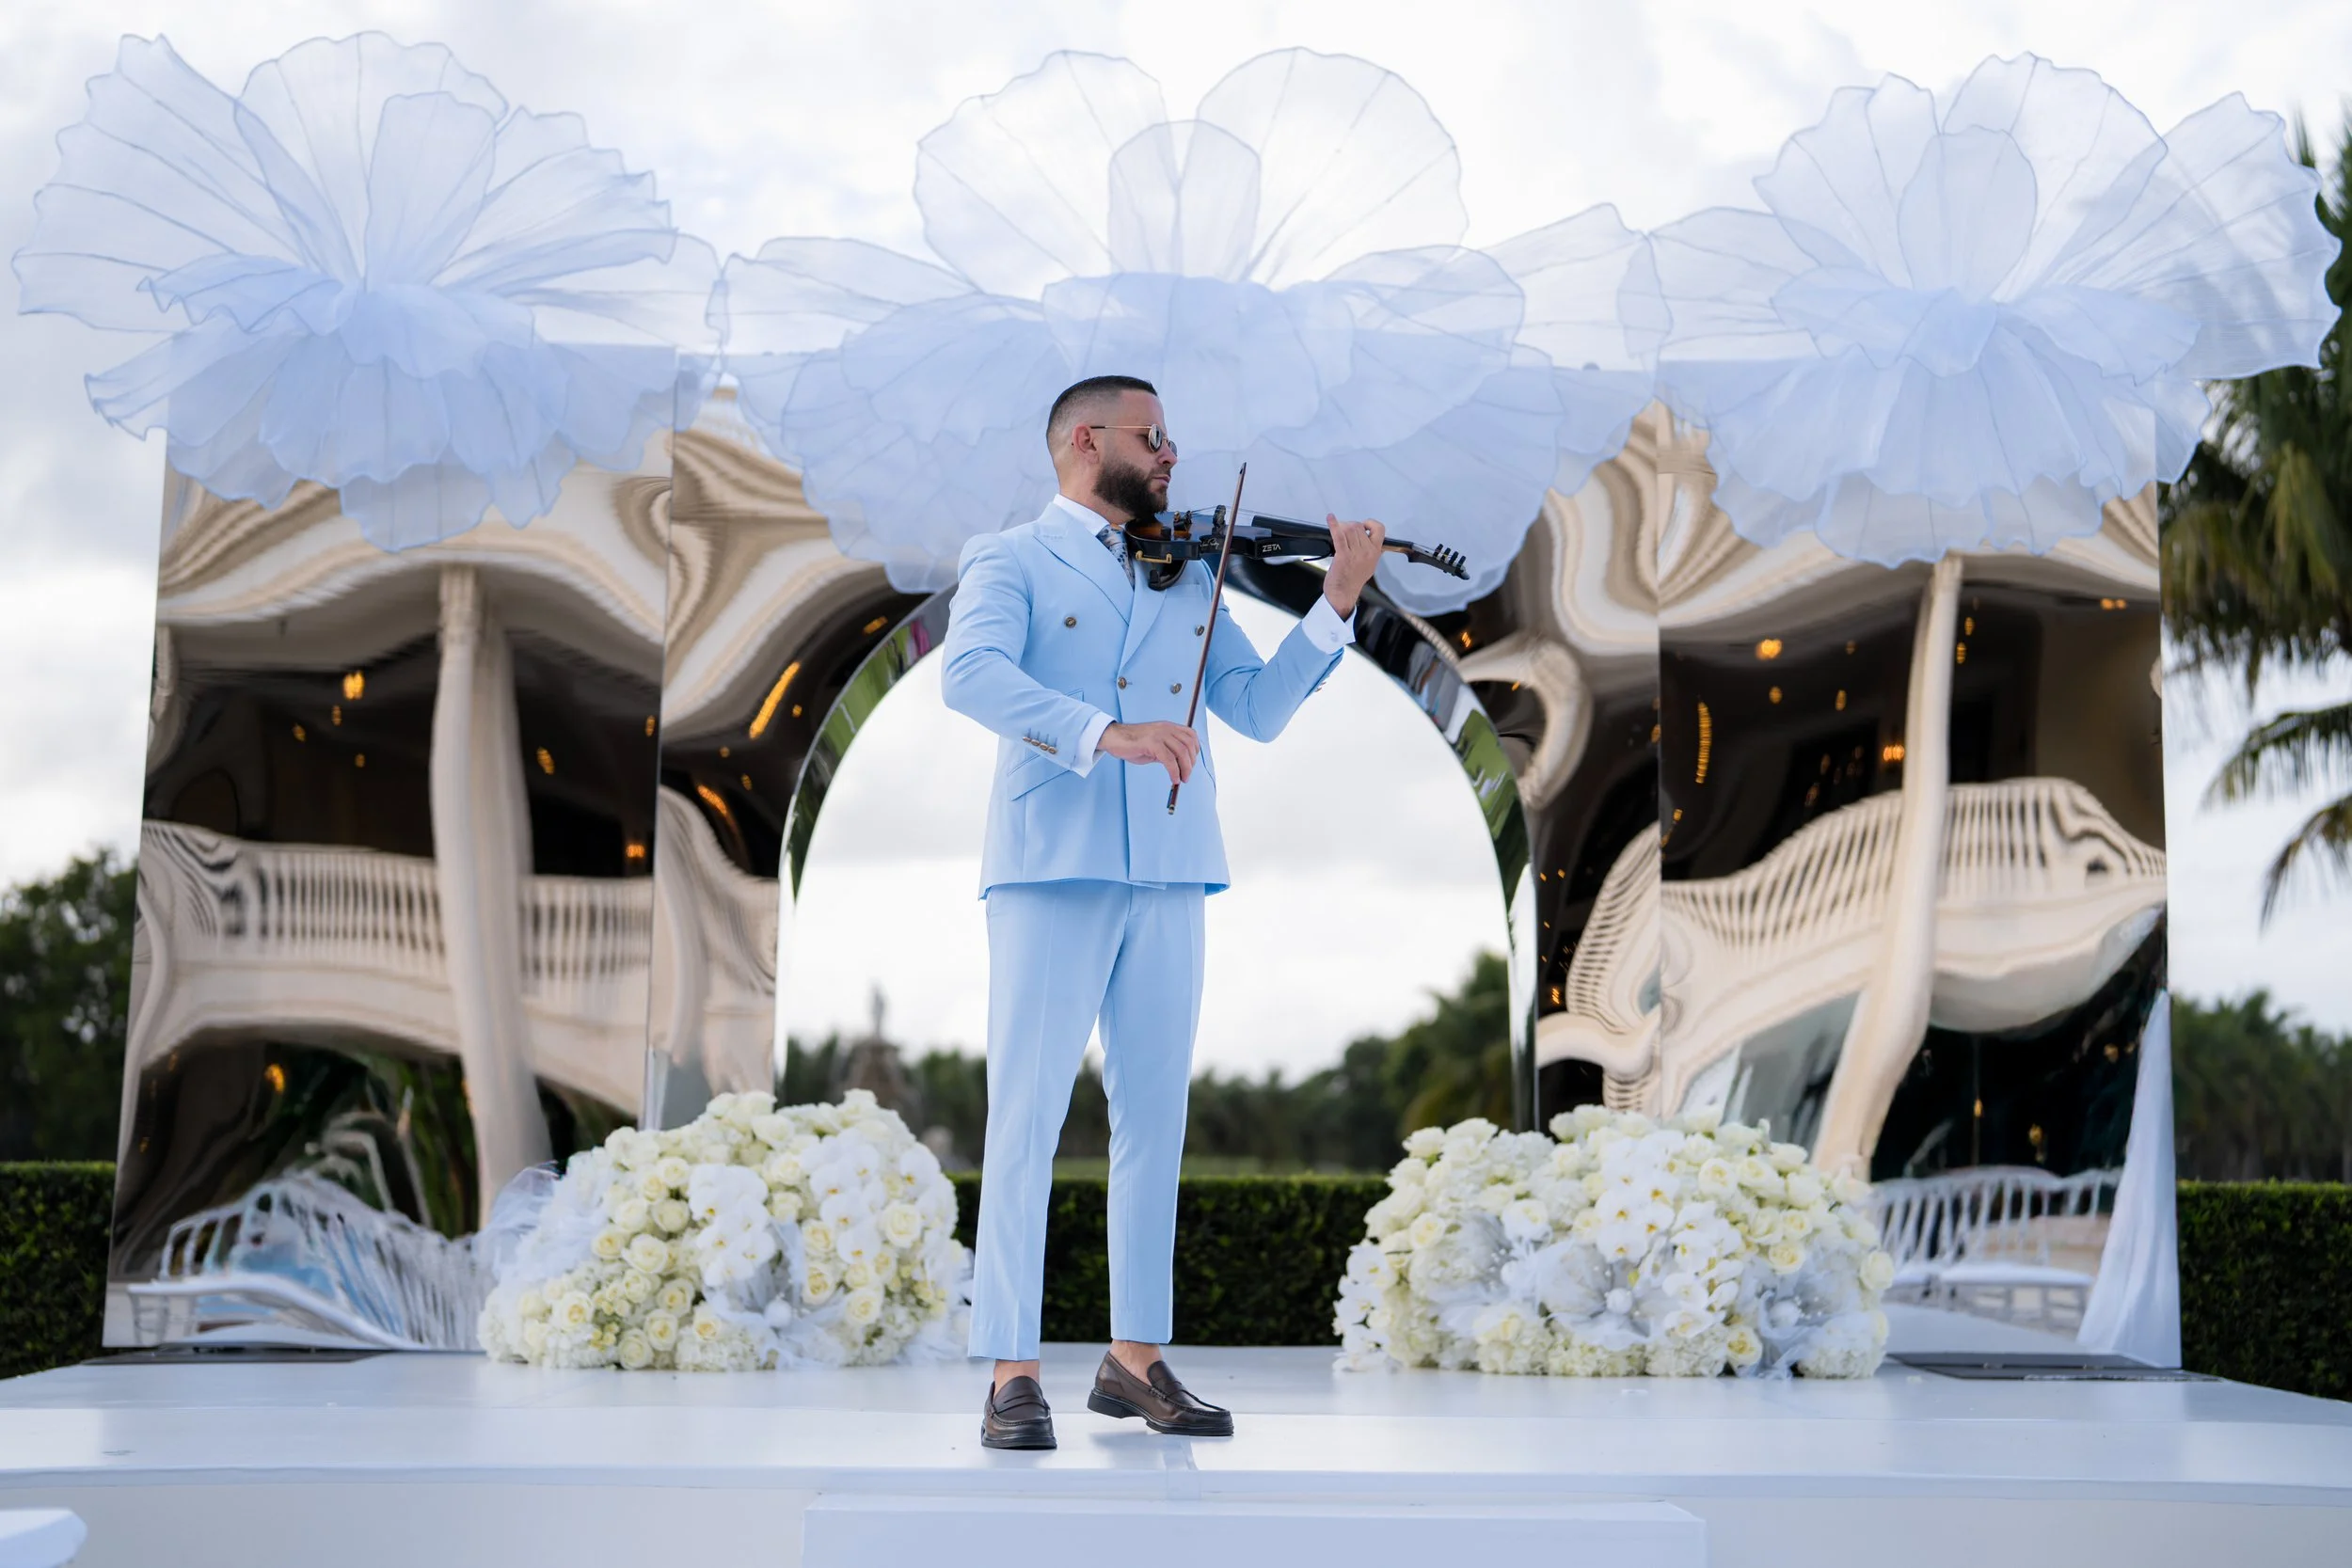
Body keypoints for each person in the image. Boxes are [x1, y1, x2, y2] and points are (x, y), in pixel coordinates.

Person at [939, 374, 1385, 1449]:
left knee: (1155, 1122)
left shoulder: (1186, 573)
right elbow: (970, 675)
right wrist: (1108, 731)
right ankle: (1009, 1369)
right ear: (1088, 440)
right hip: (1053, 862)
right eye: (1154, 435)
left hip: (1175, 863)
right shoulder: (1006, 558)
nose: (1172, 452)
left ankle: (1133, 1360)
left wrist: (1335, 604)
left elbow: (1256, 709)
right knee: (1029, 1118)